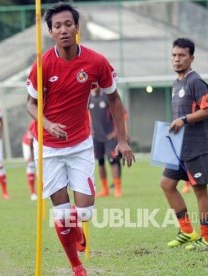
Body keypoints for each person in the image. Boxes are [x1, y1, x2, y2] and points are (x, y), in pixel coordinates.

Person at [25, 3, 135, 275]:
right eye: (57, 26)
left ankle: (76, 227)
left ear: (77, 28)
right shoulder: (42, 65)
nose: (63, 30)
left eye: (68, 24)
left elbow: (114, 98)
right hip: (48, 147)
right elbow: (30, 103)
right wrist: (47, 123)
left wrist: (122, 140)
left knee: (83, 213)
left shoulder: (96, 62)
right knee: (60, 214)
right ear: (50, 32)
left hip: (80, 145)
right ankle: (77, 266)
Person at [161, 38, 208, 251]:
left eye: (182, 55)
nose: (177, 59)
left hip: (196, 148)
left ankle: (207, 238)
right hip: (178, 149)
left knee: (200, 191)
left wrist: (183, 119)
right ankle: (187, 231)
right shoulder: (176, 83)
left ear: (191, 58)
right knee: (166, 184)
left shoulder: (196, 81)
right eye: (174, 55)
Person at [88, 83, 128, 198]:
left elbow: (121, 114)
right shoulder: (89, 98)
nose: (95, 87)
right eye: (92, 85)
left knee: (113, 161)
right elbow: (85, 115)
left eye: (96, 85)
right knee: (100, 162)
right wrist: (89, 129)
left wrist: (117, 132)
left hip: (110, 136)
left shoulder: (108, 96)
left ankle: (117, 189)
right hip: (96, 137)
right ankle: (105, 189)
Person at [181, 115, 208, 194]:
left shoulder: (207, 106)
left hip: (200, 141)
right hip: (186, 138)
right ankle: (188, 184)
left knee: (195, 165)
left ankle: (195, 185)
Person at [22, 121, 37, 200]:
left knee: (43, 167)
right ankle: (33, 193)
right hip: (28, 144)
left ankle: (44, 191)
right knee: (30, 165)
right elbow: (31, 140)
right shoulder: (33, 122)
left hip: (39, 143)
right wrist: (31, 155)